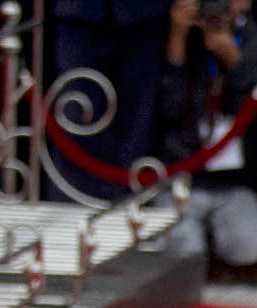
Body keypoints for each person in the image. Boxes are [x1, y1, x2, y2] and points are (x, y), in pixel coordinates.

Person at [155, 0, 257, 275]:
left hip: (236, 180)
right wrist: (178, 38)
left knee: (247, 246)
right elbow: (168, 107)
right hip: (182, 175)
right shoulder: (181, 33)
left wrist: (231, 56)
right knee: (181, 252)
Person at [50, 0, 172, 200]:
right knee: (74, 111)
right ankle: (69, 207)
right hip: (79, 12)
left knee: (137, 119)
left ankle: (129, 206)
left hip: (144, 14)